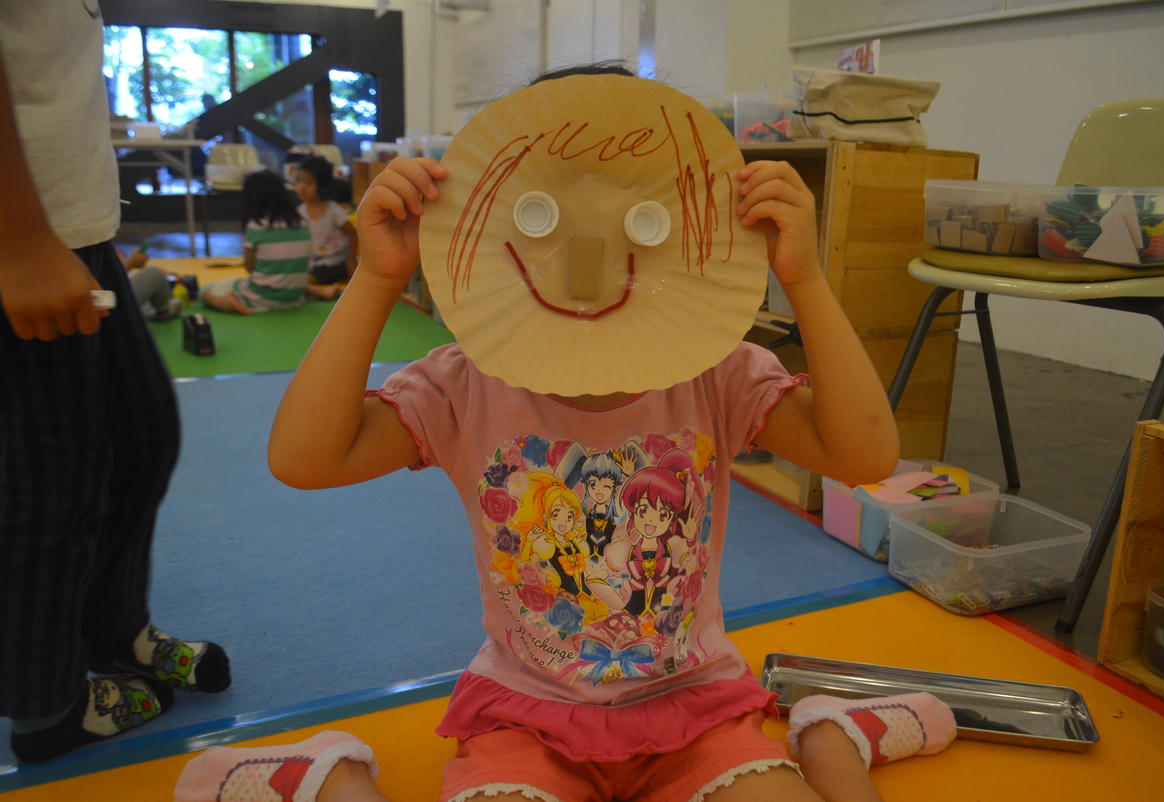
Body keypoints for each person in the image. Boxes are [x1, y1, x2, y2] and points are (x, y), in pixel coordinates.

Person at [178, 68, 955, 802]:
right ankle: (332, 775)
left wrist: (806, 279)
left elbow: (864, 456)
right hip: (529, 715)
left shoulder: (714, 372)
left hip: (694, 705)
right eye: (543, 219)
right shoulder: (464, 385)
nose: (587, 265)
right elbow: (305, 459)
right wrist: (377, 277)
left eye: (636, 223)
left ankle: (830, 739)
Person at [0, 1, 230, 764]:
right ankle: (47, 705)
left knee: (141, 437)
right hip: (23, 237)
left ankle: (111, 629)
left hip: (77, 232)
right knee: (53, 481)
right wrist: (18, 238)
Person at [201, 169, 325, 314]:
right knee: (286, 279)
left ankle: (228, 302)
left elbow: (249, 268)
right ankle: (319, 291)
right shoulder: (303, 223)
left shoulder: (256, 226)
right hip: (294, 296)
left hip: (261, 298)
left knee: (206, 291)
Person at [295, 155, 358, 298]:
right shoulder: (300, 212)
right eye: (299, 181)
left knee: (323, 273)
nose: (301, 187)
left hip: (336, 260)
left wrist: (350, 261)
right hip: (314, 261)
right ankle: (309, 285)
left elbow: (352, 234)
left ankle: (310, 286)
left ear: (322, 188)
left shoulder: (333, 210)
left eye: (309, 183)